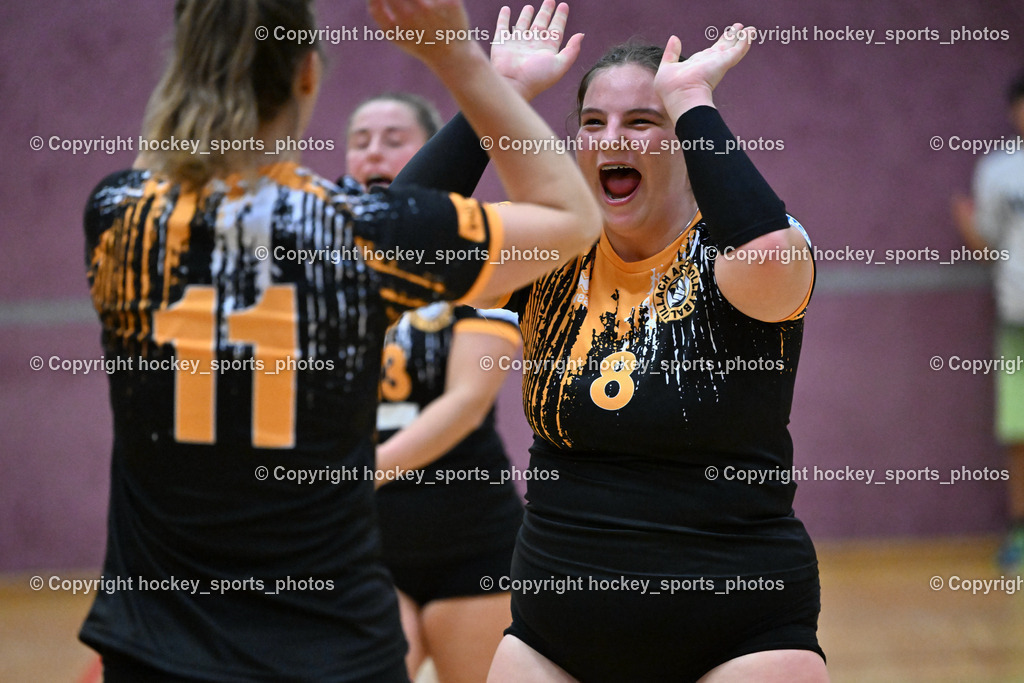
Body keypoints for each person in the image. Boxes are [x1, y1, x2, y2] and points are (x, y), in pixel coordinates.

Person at [77, 0, 600, 680]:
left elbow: (172, 170)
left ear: (182, 67)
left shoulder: (118, 215)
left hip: (156, 649)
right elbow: (570, 217)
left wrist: (210, 48)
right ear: (308, 77)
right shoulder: (356, 237)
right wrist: (462, 61)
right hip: (331, 651)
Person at [399, 15, 827, 682]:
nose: (611, 139)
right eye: (592, 122)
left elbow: (770, 257)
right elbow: (399, 245)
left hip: (742, 628)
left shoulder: (737, 249)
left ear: (685, 141)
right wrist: (499, 92)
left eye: (641, 122)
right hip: (553, 635)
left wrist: (691, 100)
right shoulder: (550, 251)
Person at [344, 93, 523, 682]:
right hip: (362, 544)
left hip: (471, 540)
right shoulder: (327, 265)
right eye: (360, 139)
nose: (373, 150)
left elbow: (467, 402)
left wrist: (359, 469)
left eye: (394, 139)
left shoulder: (474, 253)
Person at [952, 70, 1024, 570]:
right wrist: (966, 225)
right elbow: (989, 245)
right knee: (1018, 432)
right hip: (1017, 320)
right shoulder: (999, 170)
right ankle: (1019, 534)